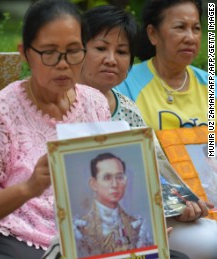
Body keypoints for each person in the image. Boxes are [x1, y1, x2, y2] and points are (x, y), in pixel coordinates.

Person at [0, 0, 111, 258]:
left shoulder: (95, 104)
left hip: (80, 238)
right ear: (25, 53)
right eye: (49, 52)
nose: (63, 64)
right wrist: (29, 188)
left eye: (73, 51)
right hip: (7, 237)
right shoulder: (1, 112)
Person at [78, 4, 217, 258]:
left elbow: (154, 169)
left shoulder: (128, 108)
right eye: (100, 49)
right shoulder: (129, 87)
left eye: (197, 28)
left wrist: (179, 201)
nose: (111, 59)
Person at [115, 0, 207, 130]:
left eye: (196, 28)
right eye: (180, 27)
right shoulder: (124, 84)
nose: (191, 38)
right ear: (152, 34)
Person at [74, 153, 153, 257]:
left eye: (120, 177)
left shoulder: (138, 225)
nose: (115, 185)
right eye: (107, 178)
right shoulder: (78, 228)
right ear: (93, 184)